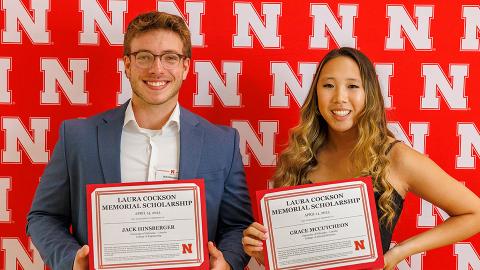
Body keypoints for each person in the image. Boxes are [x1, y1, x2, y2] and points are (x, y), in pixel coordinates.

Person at [27, 11, 252, 270]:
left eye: (170, 57)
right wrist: (72, 262)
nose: (157, 69)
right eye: (144, 57)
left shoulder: (221, 143)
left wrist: (227, 264)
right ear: (127, 64)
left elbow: (238, 226)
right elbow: (44, 216)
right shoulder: (78, 137)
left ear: (185, 66)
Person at [241, 47, 480, 269]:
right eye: (328, 86)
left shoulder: (395, 157)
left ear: (369, 93)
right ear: (315, 93)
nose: (339, 98)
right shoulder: (300, 156)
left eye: (353, 86)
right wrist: (265, 250)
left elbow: (474, 213)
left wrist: (399, 252)